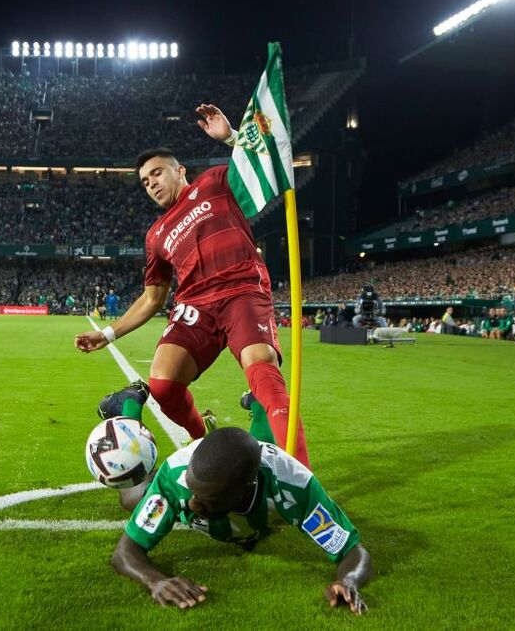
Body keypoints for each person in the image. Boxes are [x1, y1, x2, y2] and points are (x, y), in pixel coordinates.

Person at [75, 103, 310, 466]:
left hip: (241, 290)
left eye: (157, 173)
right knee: (163, 384)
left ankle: (300, 477)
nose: (151, 183)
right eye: (145, 181)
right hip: (195, 306)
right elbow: (153, 297)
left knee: (262, 370)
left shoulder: (215, 182)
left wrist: (231, 137)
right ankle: (204, 438)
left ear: (179, 170)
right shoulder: (156, 235)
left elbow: (268, 166)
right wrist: (106, 334)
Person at [103, 384, 372, 613]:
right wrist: (155, 581)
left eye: (207, 500)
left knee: (264, 443)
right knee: (130, 498)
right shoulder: (177, 479)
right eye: (194, 492)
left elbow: (352, 550)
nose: (194, 504)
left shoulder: (294, 487)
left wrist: (348, 580)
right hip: (205, 471)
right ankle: (129, 407)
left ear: (246, 488)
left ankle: (257, 402)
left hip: (254, 473)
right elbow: (125, 553)